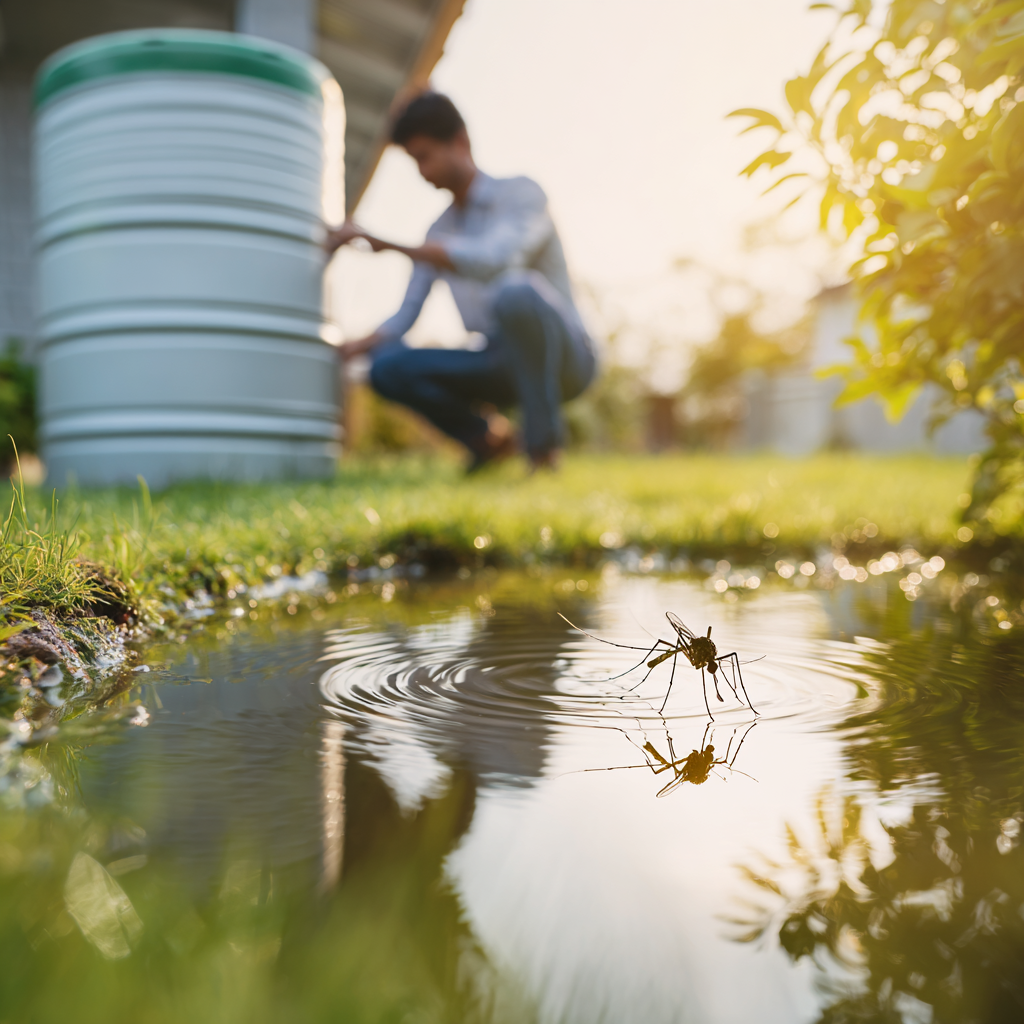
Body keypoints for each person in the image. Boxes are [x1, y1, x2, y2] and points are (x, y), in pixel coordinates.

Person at [326, 92, 596, 472]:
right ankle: (487, 440)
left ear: (460, 142)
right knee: (385, 365)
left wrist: (387, 243)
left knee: (516, 292)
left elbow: (496, 260)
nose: (422, 172)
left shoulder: (521, 195)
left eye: (424, 157)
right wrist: (352, 347)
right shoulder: (438, 230)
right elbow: (405, 317)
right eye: (414, 162)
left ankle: (543, 452)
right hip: (498, 359)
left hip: (567, 359)